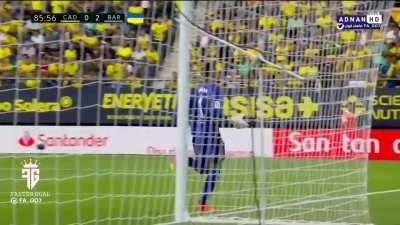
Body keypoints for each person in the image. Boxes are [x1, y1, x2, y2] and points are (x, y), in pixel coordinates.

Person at [172, 71, 249, 213]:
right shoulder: (216, 91)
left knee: (206, 168)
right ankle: (202, 203)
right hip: (210, 135)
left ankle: (184, 160)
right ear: (217, 77)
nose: (226, 79)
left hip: (197, 134)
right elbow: (215, 115)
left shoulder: (196, 91)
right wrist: (234, 121)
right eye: (225, 76)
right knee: (213, 169)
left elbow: (183, 110)